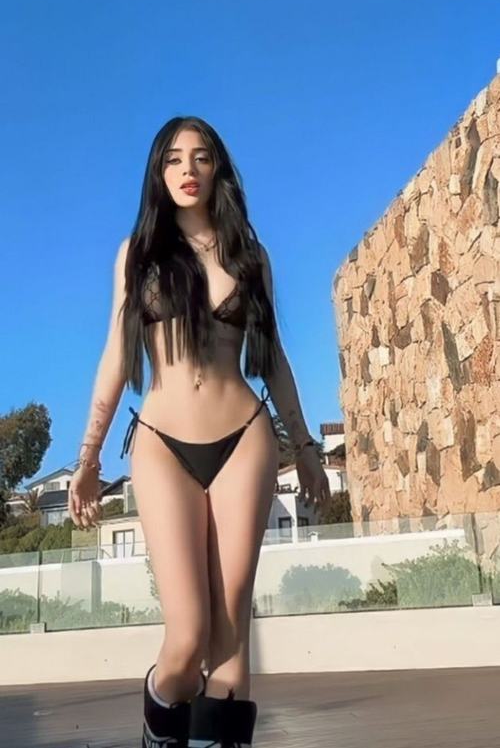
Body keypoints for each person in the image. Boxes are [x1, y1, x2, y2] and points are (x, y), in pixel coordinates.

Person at [68, 116, 331, 748]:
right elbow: (115, 355)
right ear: (159, 173)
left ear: (218, 170)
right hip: (163, 444)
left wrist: (305, 447)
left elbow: (274, 360)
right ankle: (160, 720)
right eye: (174, 159)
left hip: (245, 437)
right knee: (187, 639)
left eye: (202, 157)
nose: (188, 169)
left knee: (231, 634)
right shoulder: (138, 254)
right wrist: (89, 455)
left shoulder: (251, 256)